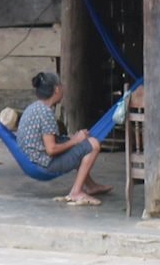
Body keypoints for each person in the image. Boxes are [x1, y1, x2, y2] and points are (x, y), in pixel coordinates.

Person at [16, 71, 109, 205]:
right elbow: (51, 149)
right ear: (57, 89)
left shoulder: (34, 107)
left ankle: (91, 186)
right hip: (43, 164)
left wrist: (73, 139)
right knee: (93, 144)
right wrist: (75, 140)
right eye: (62, 86)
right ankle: (76, 192)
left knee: (80, 145)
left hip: (32, 159)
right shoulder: (46, 113)